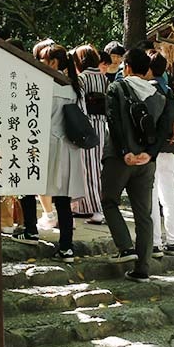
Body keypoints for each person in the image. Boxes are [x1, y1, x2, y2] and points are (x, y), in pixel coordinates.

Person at [100, 47, 169, 282]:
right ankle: (143, 268)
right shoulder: (160, 93)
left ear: (126, 67)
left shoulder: (116, 88)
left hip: (120, 159)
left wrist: (124, 152)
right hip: (146, 162)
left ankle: (125, 247)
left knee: (109, 201)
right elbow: (163, 129)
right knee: (144, 214)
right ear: (147, 69)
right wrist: (150, 154)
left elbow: (114, 121)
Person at [11, 43, 85, 263]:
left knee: (28, 183)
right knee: (63, 198)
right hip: (67, 147)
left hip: (41, 143)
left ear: (52, 63)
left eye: (42, 60)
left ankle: (31, 230)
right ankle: (66, 247)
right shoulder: (74, 86)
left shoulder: (42, 85)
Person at [148, 51, 174, 257]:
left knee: (151, 194)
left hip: (152, 147)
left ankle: (155, 242)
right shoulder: (168, 90)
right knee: (169, 194)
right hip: (169, 147)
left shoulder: (149, 89)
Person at [72, 44, 108, 224]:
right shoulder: (103, 79)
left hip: (88, 125)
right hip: (101, 124)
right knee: (97, 166)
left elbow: (80, 105)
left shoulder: (82, 79)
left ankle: (97, 209)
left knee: (89, 167)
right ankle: (87, 206)